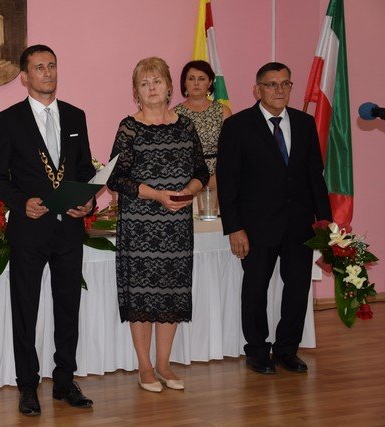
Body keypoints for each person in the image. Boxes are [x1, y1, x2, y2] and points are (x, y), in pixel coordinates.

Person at [0, 44, 96, 416]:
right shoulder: (9, 120)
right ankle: (27, 386)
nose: (47, 72)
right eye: (39, 67)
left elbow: (85, 171)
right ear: (24, 77)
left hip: (69, 230)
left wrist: (88, 201)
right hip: (29, 230)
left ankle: (65, 381)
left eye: (52, 65)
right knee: (25, 310)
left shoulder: (76, 116)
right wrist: (21, 203)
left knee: (68, 307)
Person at [217, 62, 331, 375]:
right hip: (255, 227)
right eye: (271, 84)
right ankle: (257, 351)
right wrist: (234, 228)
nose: (279, 90)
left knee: (297, 290)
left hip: (299, 225)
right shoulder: (238, 126)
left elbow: (315, 177)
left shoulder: (305, 123)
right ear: (257, 90)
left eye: (285, 84)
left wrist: (325, 223)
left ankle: (286, 350)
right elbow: (228, 183)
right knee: (255, 290)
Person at [107, 57, 209, 393]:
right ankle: (146, 367)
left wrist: (189, 191)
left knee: (171, 294)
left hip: (176, 224)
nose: (151, 88)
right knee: (142, 296)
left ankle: (164, 364)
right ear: (136, 92)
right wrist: (157, 195)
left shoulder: (185, 126)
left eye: (157, 81)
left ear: (169, 87)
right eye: (144, 83)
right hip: (140, 225)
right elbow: (116, 179)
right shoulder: (129, 127)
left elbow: (201, 171)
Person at [174, 60, 232, 190]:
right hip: (186, 182)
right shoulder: (174, 114)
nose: (196, 83)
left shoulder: (223, 111)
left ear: (210, 82)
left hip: (220, 178)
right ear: (184, 82)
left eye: (201, 78)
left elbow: (231, 151)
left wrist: (217, 179)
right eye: (191, 78)